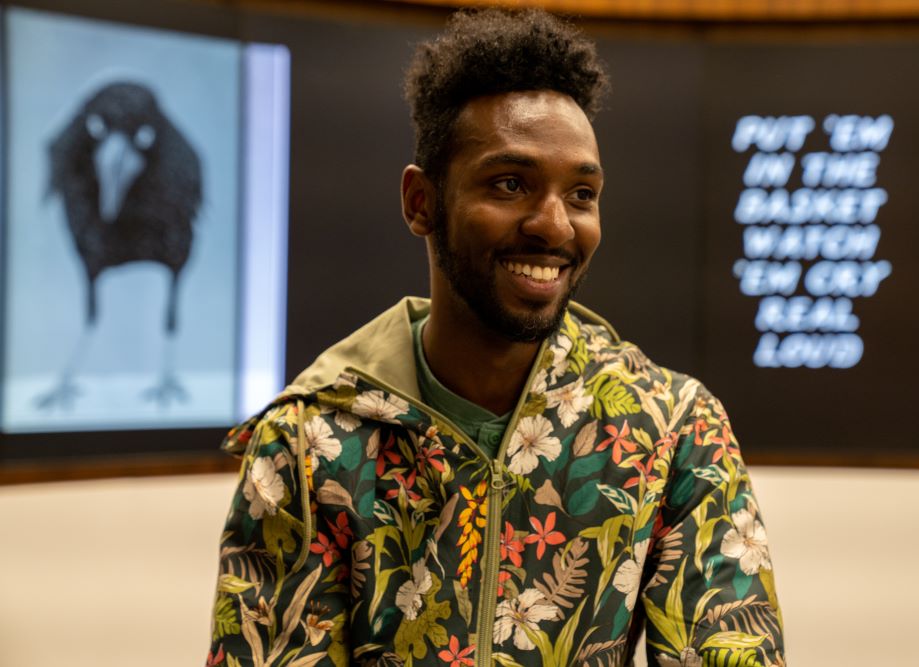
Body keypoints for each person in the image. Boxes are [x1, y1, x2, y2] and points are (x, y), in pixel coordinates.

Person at [208, 8, 784, 667]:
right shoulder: (310, 446)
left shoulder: (671, 430)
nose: (555, 226)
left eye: (582, 193)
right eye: (510, 184)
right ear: (421, 202)